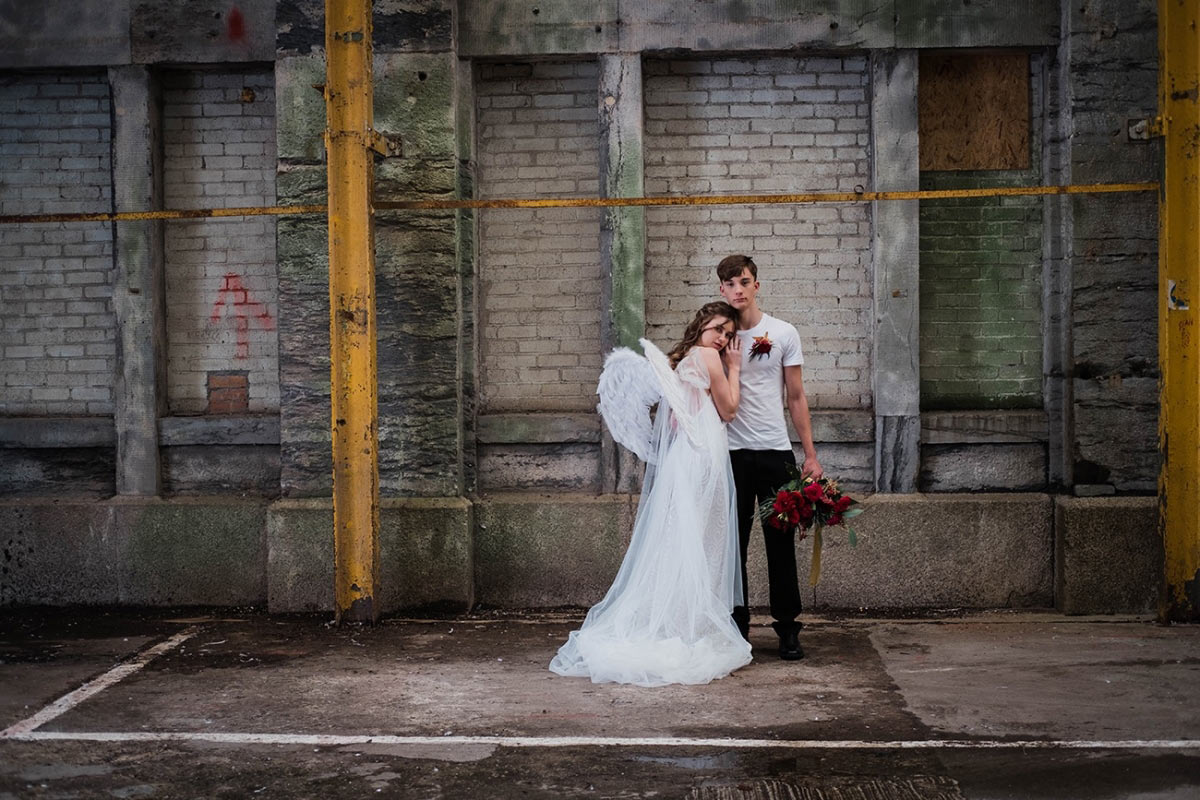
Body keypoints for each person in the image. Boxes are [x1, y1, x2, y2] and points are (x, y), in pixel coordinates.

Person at [549, 302, 752, 686]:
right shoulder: (708, 356)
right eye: (719, 329)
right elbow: (728, 410)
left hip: (683, 456)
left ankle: (676, 621)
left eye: (728, 334)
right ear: (702, 325)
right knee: (702, 539)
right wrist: (736, 369)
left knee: (681, 538)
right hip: (703, 450)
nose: (723, 339)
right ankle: (688, 627)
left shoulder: (684, 359)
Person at [717, 254, 824, 661]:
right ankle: (736, 626)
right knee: (733, 546)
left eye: (744, 282)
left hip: (776, 453)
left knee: (779, 545)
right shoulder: (719, 335)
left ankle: (787, 628)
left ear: (756, 285)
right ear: (721, 289)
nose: (738, 290)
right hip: (731, 455)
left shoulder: (782, 333)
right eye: (730, 284)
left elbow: (795, 396)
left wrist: (809, 455)